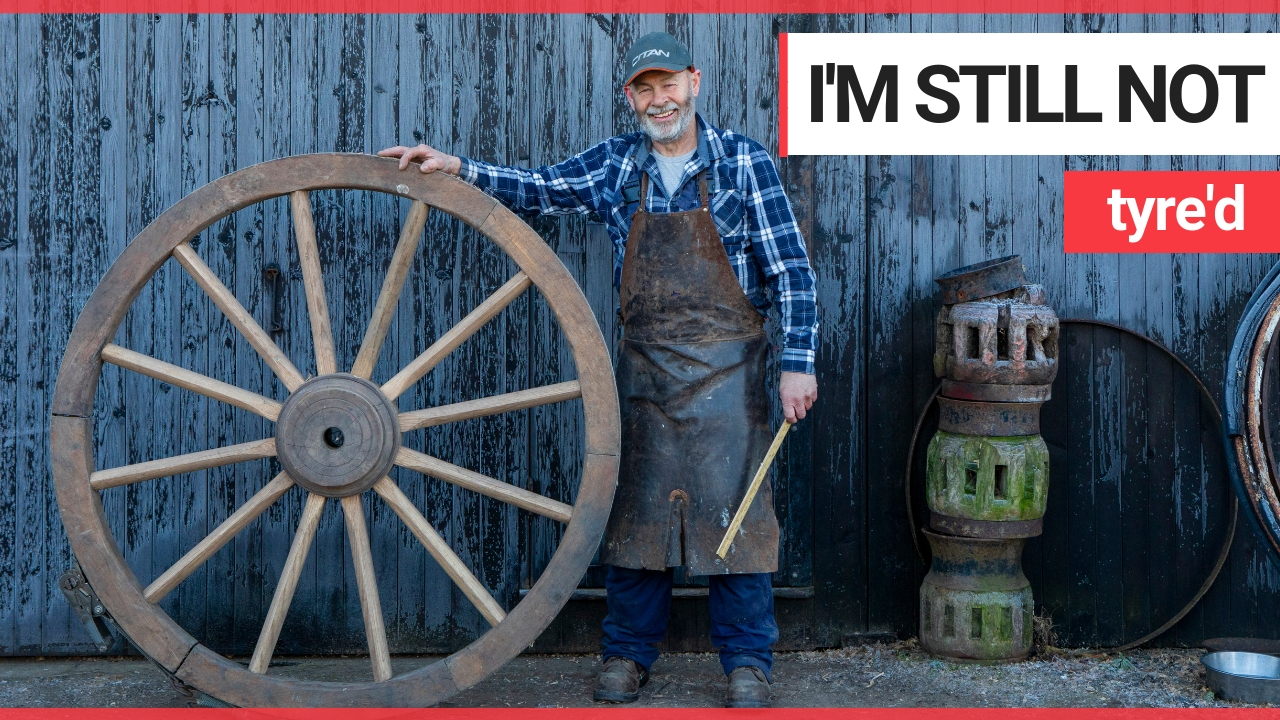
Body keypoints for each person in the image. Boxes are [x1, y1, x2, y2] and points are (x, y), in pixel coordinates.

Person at [379, 31, 818, 709]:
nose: (659, 99)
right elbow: (539, 189)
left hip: (733, 373)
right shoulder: (616, 165)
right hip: (642, 370)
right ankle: (627, 654)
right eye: (644, 89)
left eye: (668, 84)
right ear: (630, 98)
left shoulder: (743, 163)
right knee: (636, 515)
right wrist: (458, 168)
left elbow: (792, 272)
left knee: (737, 519)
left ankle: (748, 661)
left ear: (694, 83)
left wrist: (797, 365)